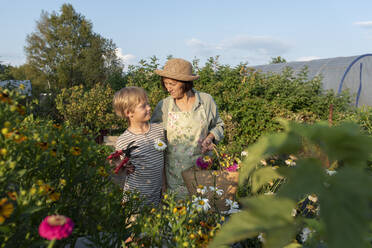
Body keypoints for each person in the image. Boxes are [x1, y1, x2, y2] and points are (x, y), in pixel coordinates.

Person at [151, 58, 224, 197]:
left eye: (172, 84)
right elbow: (155, 138)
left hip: (201, 173)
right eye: (165, 83)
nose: (168, 88)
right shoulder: (164, 106)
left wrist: (210, 137)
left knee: (201, 211)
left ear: (185, 83)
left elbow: (219, 126)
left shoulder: (205, 101)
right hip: (173, 175)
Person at [112, 86, 167, 206]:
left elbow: (162, 159)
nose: (149, 108)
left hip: (157, 195)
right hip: (135, 198)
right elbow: (122, 168)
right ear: (128, 113)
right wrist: (121, 166)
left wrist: (164, 185)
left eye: (148, 104)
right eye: (143, 106)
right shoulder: (124, 140)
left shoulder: (159, 130)